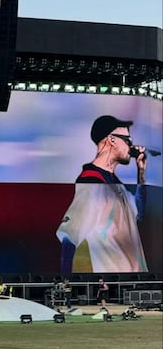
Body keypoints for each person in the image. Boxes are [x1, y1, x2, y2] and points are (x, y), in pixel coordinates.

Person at [57, 114, 148, 273]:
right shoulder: (92, 181)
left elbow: (138, 212)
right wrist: (67, 285)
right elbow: (69, 237)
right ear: (112, 140)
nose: (131, 147)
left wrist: (141, 172)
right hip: (111, 281)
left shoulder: (114, 182)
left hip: (132, 280)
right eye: (128, 140)